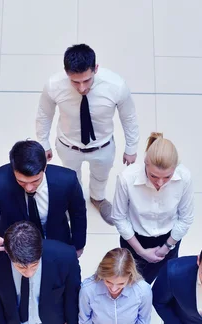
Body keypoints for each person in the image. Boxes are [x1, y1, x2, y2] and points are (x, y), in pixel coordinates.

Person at [36, 43, 139, 225]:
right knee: (71, 177)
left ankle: (97, 198)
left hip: (103, 145)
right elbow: (44, 114)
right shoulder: (54, 85)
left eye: (87, 80)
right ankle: (73, 203)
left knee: (101, 175)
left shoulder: (116, 86)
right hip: (68, 145)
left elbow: (128, 117)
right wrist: (43, 143)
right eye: (75, 81)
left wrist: (131, 147)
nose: (82, 88)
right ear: (66, 72)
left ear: (96, 69)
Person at [0, 140, 87, 259]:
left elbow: (78, 213)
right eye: (21, 182)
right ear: (13, 169)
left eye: (35, 181)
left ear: (45, 167)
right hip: (12, 242)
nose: (29, 188)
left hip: (55, 237)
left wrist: (78, 246)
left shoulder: (67, 180)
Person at [111, 132, 194, 284]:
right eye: (154, 176)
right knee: (132, 280)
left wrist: (167, 247)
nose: (160, 183)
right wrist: (140, 251)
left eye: (167, 177)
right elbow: (119, 217)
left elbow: (186, 218)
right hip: (135, 239)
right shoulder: (127, 179)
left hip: (170, 238)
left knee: (165, 278)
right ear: (145, 164)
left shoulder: (184, 178)